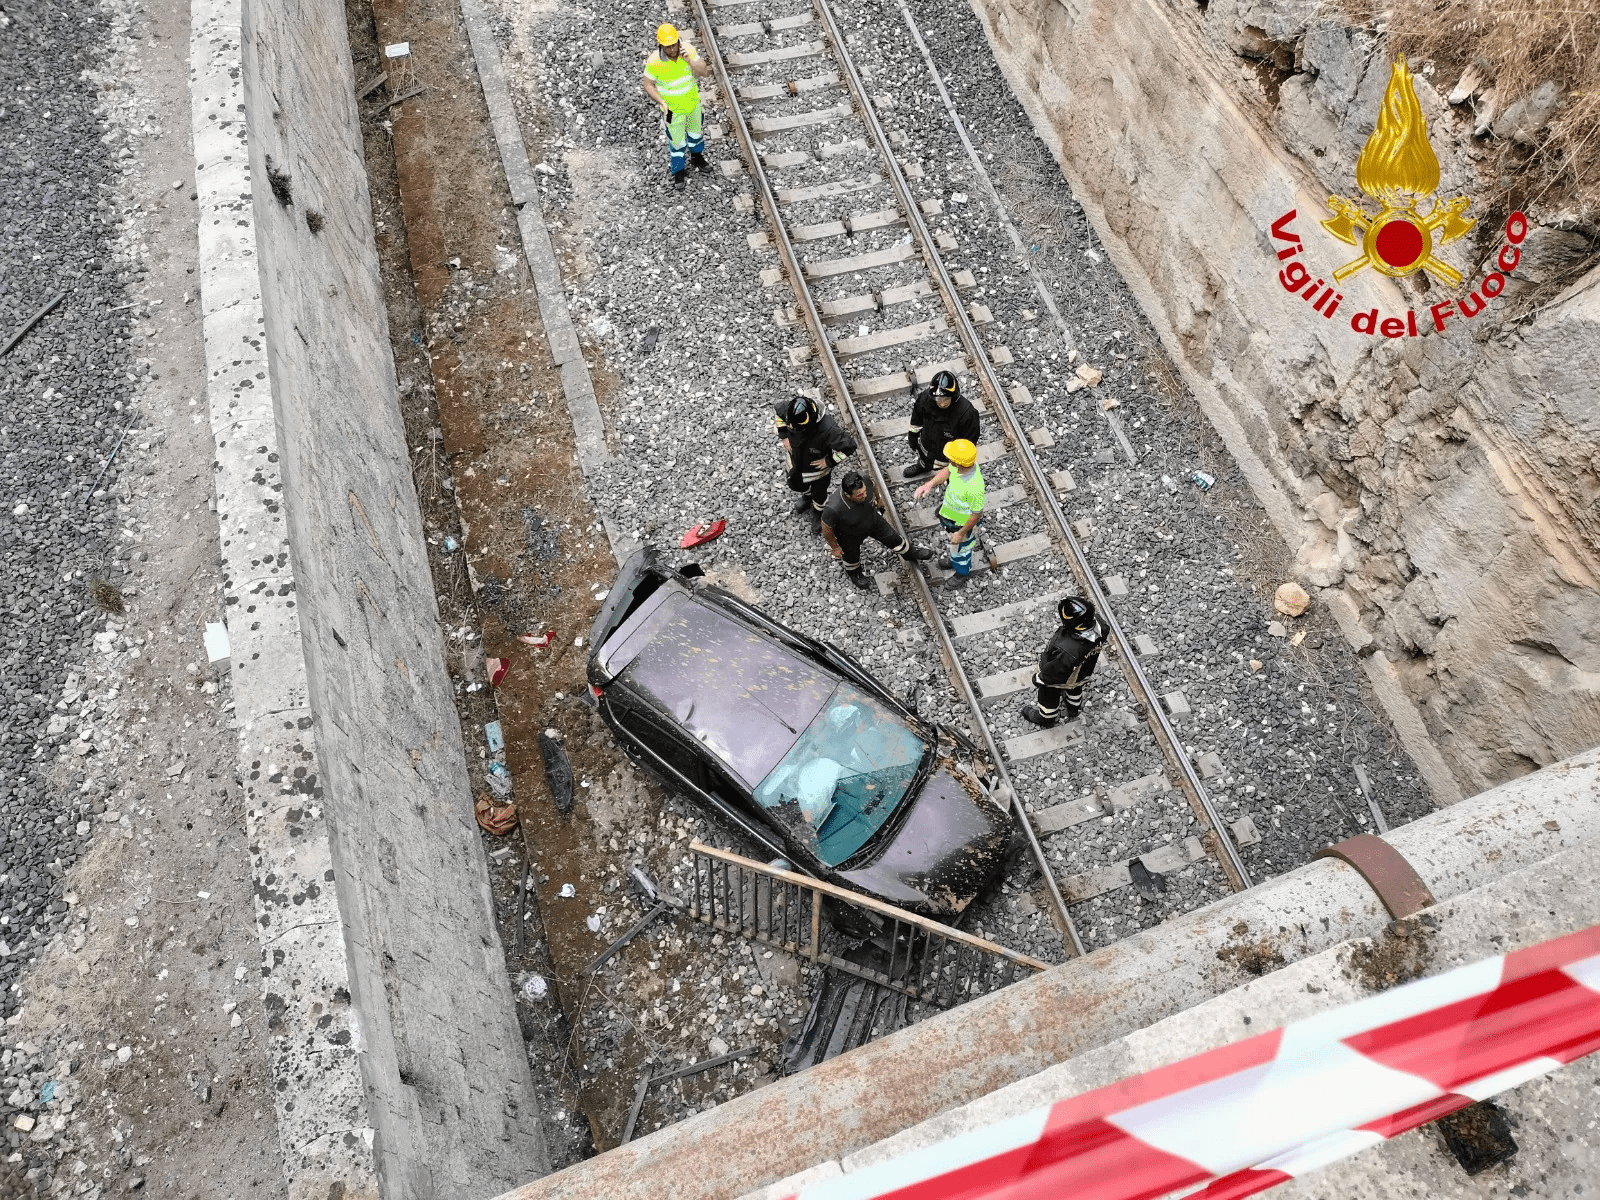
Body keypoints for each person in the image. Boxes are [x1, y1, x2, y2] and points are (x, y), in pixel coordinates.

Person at [820, 471, 935, 589]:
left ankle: (909, 552)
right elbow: (826, 527)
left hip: (873, 520)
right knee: (851, 556)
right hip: (849, 534)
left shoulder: (865, 479)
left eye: (864, 491)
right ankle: (855, 573)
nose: (864, 495)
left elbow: (873, 485)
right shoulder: (833, 508)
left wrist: (879, 499)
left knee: (893, 537)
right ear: (848, 495)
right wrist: (835, 547)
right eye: (859, 495)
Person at [641, 24, 712, 186]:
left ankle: (697, 158)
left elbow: (704, 72)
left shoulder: (688, 50)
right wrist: (662, 102)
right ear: (661, 46)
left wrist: (690, 61)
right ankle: (678, 171)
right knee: (677, 142)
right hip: (672, 111)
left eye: (674, 45)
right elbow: (648, 85)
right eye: (667, 47)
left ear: (678, 41)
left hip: (692, 105)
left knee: (696, 135)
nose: (672, 50)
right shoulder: (654, 62)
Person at [1022, 597, 1109, 727]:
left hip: (1063, 678)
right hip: (1084, 672)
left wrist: (1040, 679)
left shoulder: (1067, 650)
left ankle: (1046, 717)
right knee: (1075, 688)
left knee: (1049, 694)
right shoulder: (1102, 627)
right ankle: (1073, 708)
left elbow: (1054, 673)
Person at [775, 395, 857, 532]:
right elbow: (778, 414)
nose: (791, 427)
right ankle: (807, 496)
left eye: (794, 427)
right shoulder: (789, 411)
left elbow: (849, 447)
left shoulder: (828, 429)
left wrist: (829, 461)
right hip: (795, 465)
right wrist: (784, 436)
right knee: (796, 484)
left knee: (819, 495)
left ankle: (818, 511)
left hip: (817, 473)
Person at [912, 438, 983, 587]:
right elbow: (947, 471)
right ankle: (954, 560)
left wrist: (961, 533)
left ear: (959, 463)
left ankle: (962, 572)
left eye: (951, 458)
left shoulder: (974, 488)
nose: (948, 460)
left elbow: (976, 515)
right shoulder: (961, 467)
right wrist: (929, 484)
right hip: (951, 515)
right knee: (956, 548)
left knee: (962, 550)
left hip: (961, 524)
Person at [901, 370, 980, 480]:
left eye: (946, 399)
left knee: (951, 473)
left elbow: (970, 442)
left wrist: (961, 461)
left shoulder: (967, 413)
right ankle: (923, 466)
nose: (942, 403)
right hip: (927, 443)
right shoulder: (925, 399)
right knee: (924, 459)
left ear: (953, 396)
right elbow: (916, 419)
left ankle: (951, 479)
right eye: (938, 399)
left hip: (949, 455)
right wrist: (913, 435)